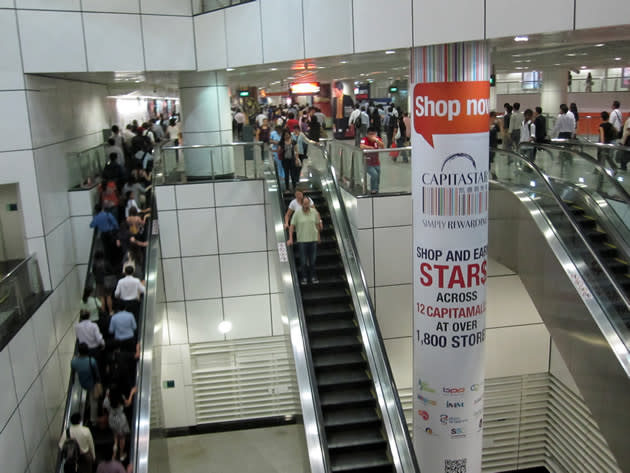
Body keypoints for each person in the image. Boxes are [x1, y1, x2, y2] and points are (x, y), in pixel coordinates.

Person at [287, 197, 322, 285]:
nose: (306, 205)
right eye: (305, 203)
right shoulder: (297, 213)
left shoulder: (314, 212)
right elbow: (292, 226)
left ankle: (313, 276)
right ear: (302, 204)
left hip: (313, 240)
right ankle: (304, 277)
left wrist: (318, 237)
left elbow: (317, 225)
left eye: (308, 203)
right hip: (302, 240)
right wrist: (290, 238)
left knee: (312, 261)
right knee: (303, 261)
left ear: (309, 203)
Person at [102, 385, 137, 462]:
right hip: (120, 420)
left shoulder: (106, 400)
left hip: (111, 419)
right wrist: (132, 393)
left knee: (115, 437)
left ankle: (114, 455)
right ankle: (121, 454)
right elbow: (128, 404)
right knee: (122, 438)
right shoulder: (120, 398)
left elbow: (104, 408)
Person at [71, 343, 101, 425]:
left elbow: (73, 373)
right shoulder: (92, 361)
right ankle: (93, 421)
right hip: (92, 384)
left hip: (82, 383)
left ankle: (87, 406)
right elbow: (97, 375)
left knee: (89, 396)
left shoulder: (74, 362)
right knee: (94, 401)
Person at [360, 127, 385, 194]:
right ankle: (373, 190)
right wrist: (370, 148)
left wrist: (376, 140)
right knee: (374, 175)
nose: (372, 136)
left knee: (377, 177)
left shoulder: (377, 139)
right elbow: (362, 146)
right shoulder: (364, 139)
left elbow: (382, 146)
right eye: (370, 134)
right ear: (367, 134)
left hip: (376, 163)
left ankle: (376, 190)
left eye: (374, 134)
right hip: (367, 163)